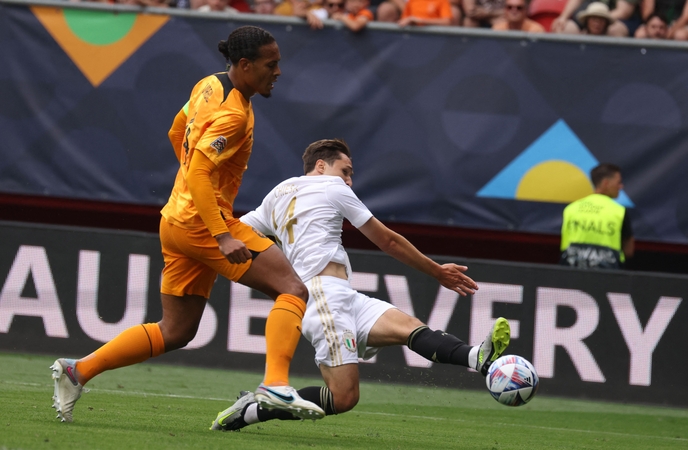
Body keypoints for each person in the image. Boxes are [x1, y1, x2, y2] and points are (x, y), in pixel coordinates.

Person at [50, 26, 324, 424]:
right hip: (202, 224)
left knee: (177, 329)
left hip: (175, 220)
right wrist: (221, 234)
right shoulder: (233, 115)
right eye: (271, 64)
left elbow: (177, 130)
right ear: (245, 65)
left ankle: (78, 371)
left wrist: (192, 184)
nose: (278, 71)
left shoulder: (208, 84)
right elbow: (198, 171)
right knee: (293, 289)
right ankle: (275, 385)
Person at [209, 139, 512, 430]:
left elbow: (237, 231)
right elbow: (388, 241)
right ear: (321, 166)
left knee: (409, 328)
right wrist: (437, 272)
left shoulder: (277, 194)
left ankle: (477, 357)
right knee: (344, 397)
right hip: (323, 298)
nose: (349, 180)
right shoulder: (332, 187)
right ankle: (253, 410)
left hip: (340, 296)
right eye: (346, 171)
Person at [560, 163, 634, 269]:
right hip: (607, 273)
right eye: (618, 182)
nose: (621, 186)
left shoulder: (571, 209)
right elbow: (629, 251)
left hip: (571, 270)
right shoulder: (619, 211)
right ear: (606, 183)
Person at [552, 0, 639, 37]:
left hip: (616, 19)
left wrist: (599, 19)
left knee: (614, 30)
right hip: (588, 14)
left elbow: (623, 12)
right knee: (563, 27)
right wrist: (563, 17)